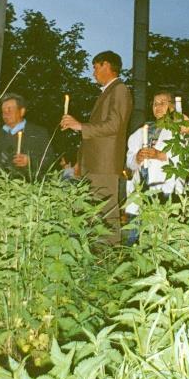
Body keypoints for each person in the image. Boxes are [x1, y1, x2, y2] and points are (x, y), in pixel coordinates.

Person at [60, 51, 132, 244]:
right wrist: (80, 163)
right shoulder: (108, 92)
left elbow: (114, 125)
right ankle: (97, 259)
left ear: (107, 65)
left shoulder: (120, 89)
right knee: (95, 215)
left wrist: (80, 126)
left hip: (104, 165)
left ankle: (108, 259)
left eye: (96, 67)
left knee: (106, 215)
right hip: (94, 165)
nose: (93, 73)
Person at [125, 92, 184, 243]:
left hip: (165, 192)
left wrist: (160, 155)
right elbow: (129, 162)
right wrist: (136, 158)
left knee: (160, 238)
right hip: (140, 191)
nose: (157, 107)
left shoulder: (180, 130)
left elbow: (185, 161)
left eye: (163, 102)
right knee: (136, 237)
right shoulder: (140, 131)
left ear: (172, 106)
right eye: (155, 103)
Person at [0, 93, 55, 179]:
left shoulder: (38, 133)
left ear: (22, 111)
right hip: (0, 186)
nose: (5, 114)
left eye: (9, 110)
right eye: (3, 111)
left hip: (28, 185)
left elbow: (50, 159)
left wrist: (30, 161)